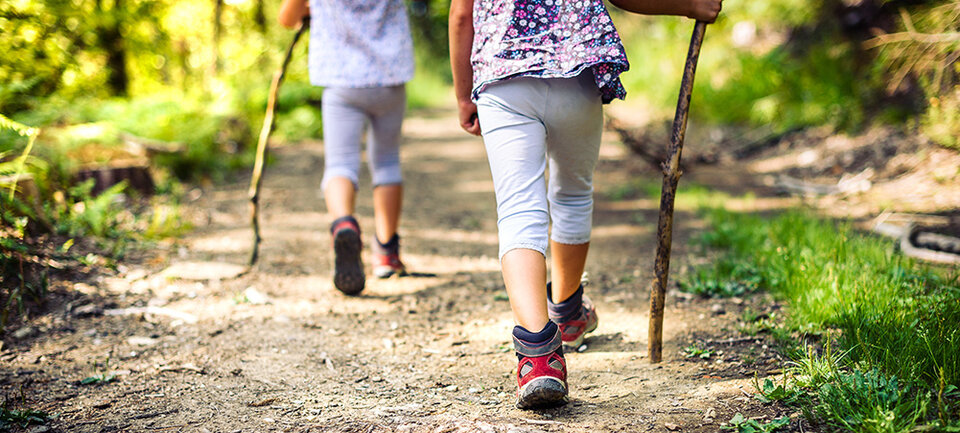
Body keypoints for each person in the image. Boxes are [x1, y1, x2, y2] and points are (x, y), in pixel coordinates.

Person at [449, 0, 722, 409]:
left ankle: (539, 356)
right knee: (573, 193)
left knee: (519, 209)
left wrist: (462, 94)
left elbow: (460, 15)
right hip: (574, 73)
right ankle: (568, 311)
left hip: (502, 78)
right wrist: (688, 5)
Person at [278, 0, 414, 295]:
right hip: (389, 76)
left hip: (341, 80)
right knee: (388, 162)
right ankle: (386, 254)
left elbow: (287, 17)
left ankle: (343, 224)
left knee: (340, 164)